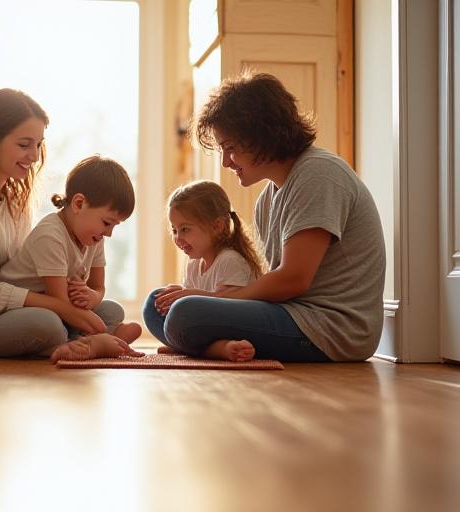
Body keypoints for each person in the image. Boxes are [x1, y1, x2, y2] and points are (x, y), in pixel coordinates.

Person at [144, 73, 386, 362]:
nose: (225, 162)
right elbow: (270, 286)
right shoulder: (267, 200)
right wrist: (199, 297)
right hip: (292, 315)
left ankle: (197, 343)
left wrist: (208, 300)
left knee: (185, 313)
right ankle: (208, 346)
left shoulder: (318, 175)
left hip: (331, 328)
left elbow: (293, 280)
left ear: (262, 135)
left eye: (230, 148)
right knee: (156, 304)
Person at [0, 88, 142, 361]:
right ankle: (83, 345)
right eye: (24, 144)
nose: (35, 155)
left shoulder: (14, 200)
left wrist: (73, 299)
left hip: (26, 308)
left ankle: (82, 343)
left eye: (39, 144)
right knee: (47, 324)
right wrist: (58, 306)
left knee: (110, 310)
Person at [0, 155, 143, 361]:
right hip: (17, 311)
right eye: (107, 223)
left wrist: (92, 296)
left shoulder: (95, 238)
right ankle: (95, 343)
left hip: (61, 309)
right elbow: (61, 303)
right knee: (50, 324)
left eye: (115, 226)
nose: (109, 233)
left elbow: (98, 287)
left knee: (112, 309)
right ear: (79, 204)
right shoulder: (50, 234)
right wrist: (92, 320)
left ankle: (95, 342)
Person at [143, 180, 264, 357]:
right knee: (154, 302)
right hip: (205, 329)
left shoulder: (230, 260)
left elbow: (230, 306)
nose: (178, 238)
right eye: (174, 230)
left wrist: (188, 295)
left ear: (217, 226)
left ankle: (213, 349)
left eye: (185, 229)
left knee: (185, 308)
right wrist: (177, 297)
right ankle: (194, 347)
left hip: (236, 329)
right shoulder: (193, 265)